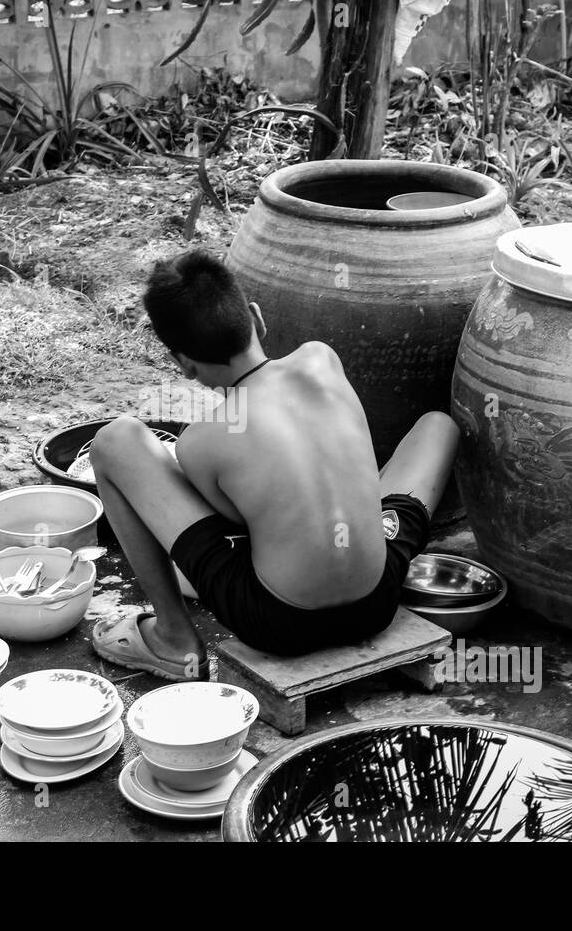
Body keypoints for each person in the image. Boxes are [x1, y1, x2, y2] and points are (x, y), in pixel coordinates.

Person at [89, 250, 459, 680]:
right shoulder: (322, 358)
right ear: (256, 317)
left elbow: (234, 530)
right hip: (377, 601)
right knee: (437, 427)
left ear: (183, 364)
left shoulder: (200, 442)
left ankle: (172, 637)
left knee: (115, 439)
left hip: (279, 622)